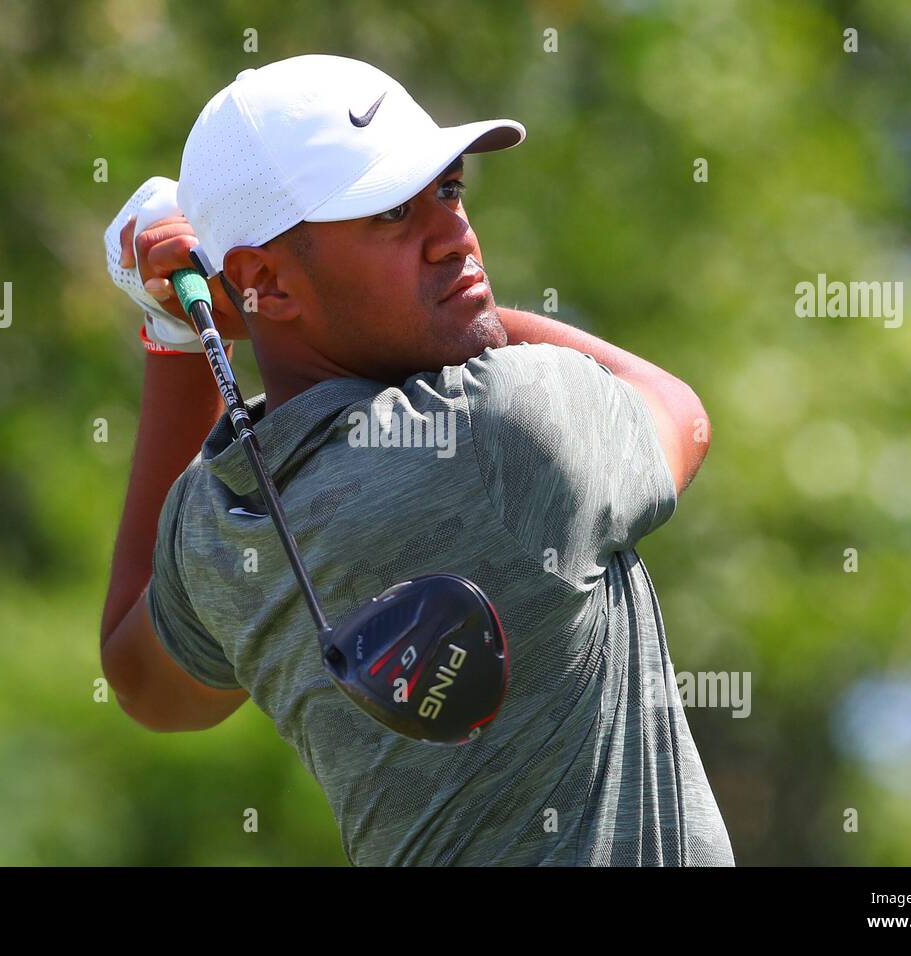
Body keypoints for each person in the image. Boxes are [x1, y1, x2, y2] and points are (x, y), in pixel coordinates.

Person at [98, 54, 734, 866]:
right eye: (392, 214)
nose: (456, 237)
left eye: (448, 190)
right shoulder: (502, 430)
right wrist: (236, 310)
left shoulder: (220, 522)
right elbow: (678, 408)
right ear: (267, 278)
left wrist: (189, 331)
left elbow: (145, 686)